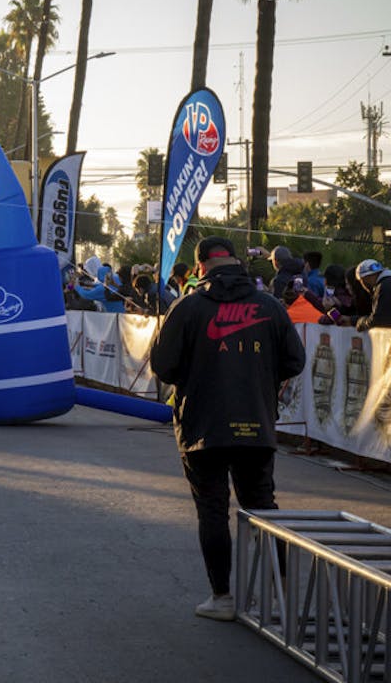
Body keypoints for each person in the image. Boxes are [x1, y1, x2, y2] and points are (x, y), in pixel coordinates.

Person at [150, 236, 305, 621]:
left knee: (213, 510)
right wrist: (260, 376)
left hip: (203, 424)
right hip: (256, 420)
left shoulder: (187, 306)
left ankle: (222, 598)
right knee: (263, 507)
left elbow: (163, 366)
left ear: (201, 266)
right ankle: (281, 597)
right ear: (236, 261)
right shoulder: (269, 305)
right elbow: (295, 360)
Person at [354, 259, 391, 332]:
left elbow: (379, 320)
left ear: (366, 278)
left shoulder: (383, 287)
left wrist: (362, 322)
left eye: (361, 281)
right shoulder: (386, 283)